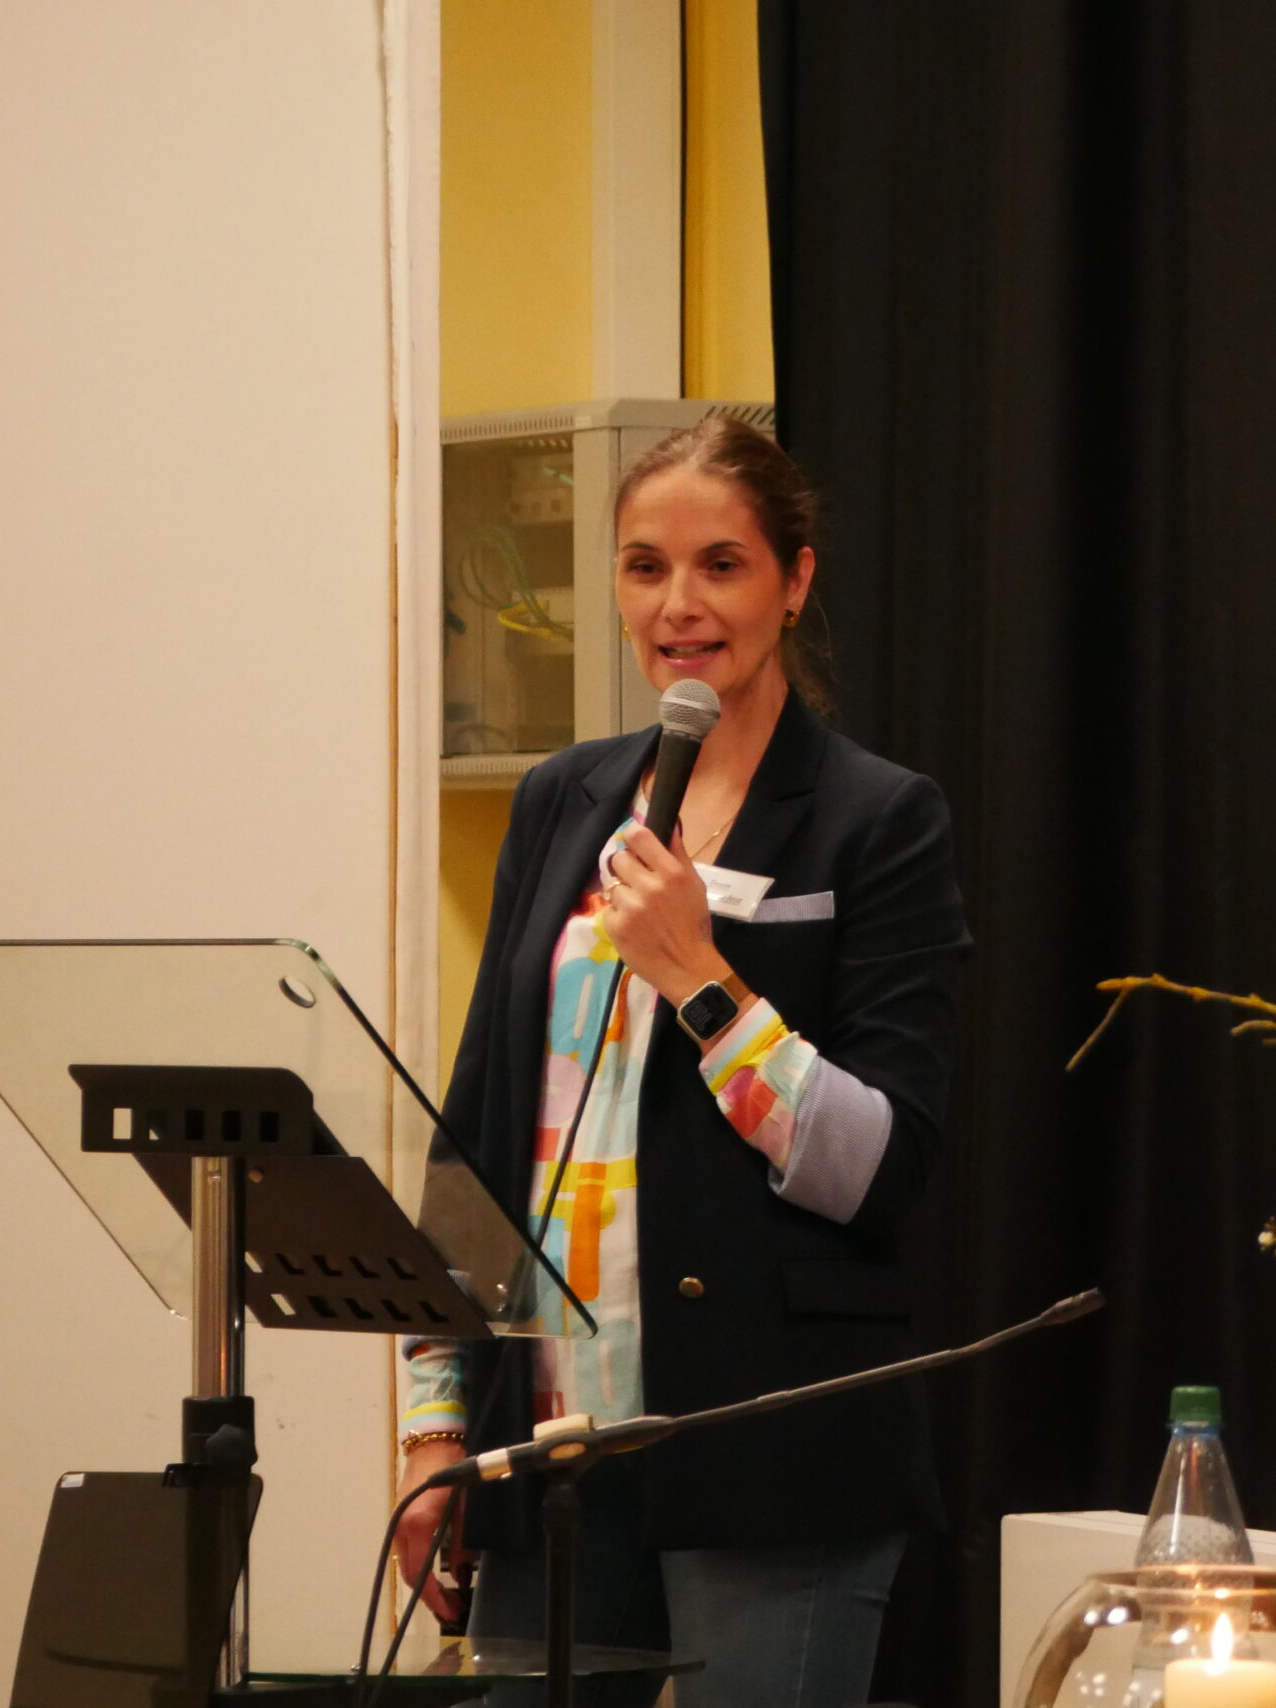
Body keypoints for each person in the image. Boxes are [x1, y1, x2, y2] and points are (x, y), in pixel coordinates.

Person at [394, 414, 970, 1707]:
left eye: (722, 565)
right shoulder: (559, 800)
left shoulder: (880, 819)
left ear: (795, 580)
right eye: (645, 567)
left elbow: (884, 1168)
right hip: (547, 1442)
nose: (679, 606)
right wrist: (437, 1425)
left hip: (768, 1446)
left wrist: (703, 982)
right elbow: (478, 1133)